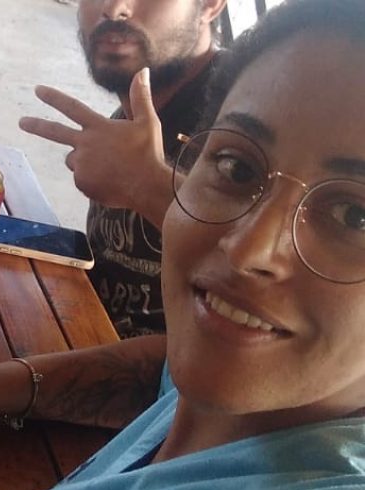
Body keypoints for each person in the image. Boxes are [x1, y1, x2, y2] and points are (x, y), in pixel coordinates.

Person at [0, 0, 365, 490]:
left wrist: (148, 183)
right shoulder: (243, 364)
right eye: (237, 168)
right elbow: (166, 371)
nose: (247, 249)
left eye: (355, 216)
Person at [20, 0, 227, 338]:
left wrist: (148, 185)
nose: (114, 8)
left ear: (210, 5)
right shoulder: (129, 118)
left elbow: (278, 297)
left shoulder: (245, 121)